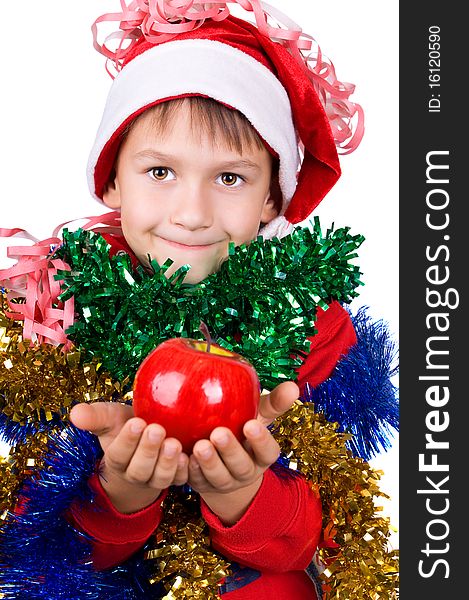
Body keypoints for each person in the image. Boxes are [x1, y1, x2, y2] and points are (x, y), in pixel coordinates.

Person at [0, 2, 398, 598]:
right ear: (111, 179)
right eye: (160, 172)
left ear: (272, 199)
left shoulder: (306, 322)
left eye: (230, 179)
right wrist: (120, 493)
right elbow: (36, 544)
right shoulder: (60, 314)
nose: (191, 214)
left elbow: (333, 532)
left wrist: (243, 495)